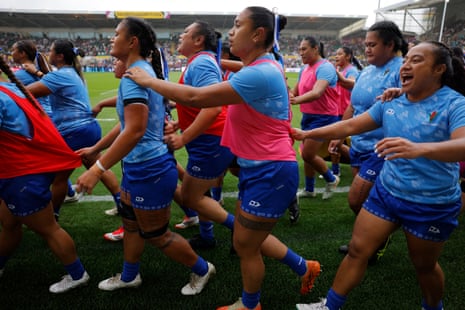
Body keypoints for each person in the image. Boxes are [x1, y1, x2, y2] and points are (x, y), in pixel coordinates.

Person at [125, 7, 321, 310]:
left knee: (244, 244)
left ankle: (251, 303)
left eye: (237, 25)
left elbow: (196, 98)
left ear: (257, 34)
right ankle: (301, 267)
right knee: (246, 239)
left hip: (270, 171)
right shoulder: (261, 67)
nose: (230, 31)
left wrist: (148, 81)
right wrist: (184, 123)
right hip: (259, 168)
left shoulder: (260, 72)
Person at [293, 40, 465, 310]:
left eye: (417, 60)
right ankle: (330, 306)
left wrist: (418, 149)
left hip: (431, 203)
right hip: (387, 193)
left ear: (439, 69)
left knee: (424, 266)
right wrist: (308, 134)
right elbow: (351, 124)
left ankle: (433, 307)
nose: (406, 65)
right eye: (407, 59)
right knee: (357, 250)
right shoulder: (391, 102)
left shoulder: (455, 104)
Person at [76, 16, 215, 295]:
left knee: (156, 234)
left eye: (117, 35)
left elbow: (135, 131)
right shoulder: (138, 72)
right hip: (139, 166)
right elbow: (128, 125)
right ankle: (129, 276)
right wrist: (97, 152)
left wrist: (98, 167)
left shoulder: (135, 77)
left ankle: (202, 268)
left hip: (149, 168)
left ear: (132, 41)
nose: (111, 39)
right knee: (130, 224)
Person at [0, 56, 90, 293]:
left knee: (49, 229)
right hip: (24, 170)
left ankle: (77, 274)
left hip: (21, 173)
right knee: (9, 224)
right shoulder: (10, 88)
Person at [25, 39, 121, 220]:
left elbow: (25, 92)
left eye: (51, 51)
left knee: (59, 177)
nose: (48, 54)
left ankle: (52, 217)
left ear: (59, 56)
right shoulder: (71, 73)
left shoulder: (60, 75)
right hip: (88, 128)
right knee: (99, 167)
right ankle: (121, 203)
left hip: (74, 131)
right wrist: (38, 72)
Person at [335, 21, 408, 258]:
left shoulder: (402, 70)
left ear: (390, 45)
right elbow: (353, 106)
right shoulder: (366, 70)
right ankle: (373, 239)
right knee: (367, 201)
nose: (367, 49)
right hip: (359, 145)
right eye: (365, 45)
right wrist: (339, 135)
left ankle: (378, 236)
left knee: (356, 199)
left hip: (382, 147)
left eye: (372, 44)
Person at [161, 20, 235, 250]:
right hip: (208, 139)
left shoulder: (202, 62)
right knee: (201, 194)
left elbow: (212, 107)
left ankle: (242, 230)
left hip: (210, 140)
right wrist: (178, 123)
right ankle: (206, 236)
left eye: (185, 32)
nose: (180, 36)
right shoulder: (197, 62)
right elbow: (198, 102)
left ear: (198, 40)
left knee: (191, 198)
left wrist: (183, 138)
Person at [9, 40, 80, 204]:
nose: (11, 53)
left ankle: (30, 198)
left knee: (37, 160)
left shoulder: (20, 75)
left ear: (22, 54)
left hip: (35, 120)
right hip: (47, 117)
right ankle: (68, 191)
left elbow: (10, 95)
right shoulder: (37, 71)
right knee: (56, 160)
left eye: (13, 50)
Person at [291, 36, 340, 201]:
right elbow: (294, 92)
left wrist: (295, 101)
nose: (300, 53)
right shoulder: (304, 69)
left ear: (315, 49)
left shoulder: (325, 67)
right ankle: (310, 189)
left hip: (324, 117)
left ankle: (332, 178)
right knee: (307, 154)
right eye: (299, 49)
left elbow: (317, 92)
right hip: (309, 116)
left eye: (304, 49)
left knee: (307, 154)